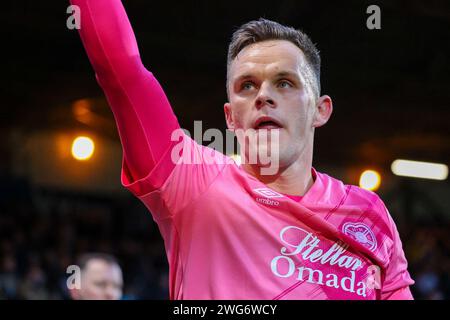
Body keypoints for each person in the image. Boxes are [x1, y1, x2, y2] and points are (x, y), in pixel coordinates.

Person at [71, 0, 414, 299]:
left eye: (285, 82)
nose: (264, 95)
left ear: (320, 110)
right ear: (230, 116)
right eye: (247, 85)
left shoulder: (369, 214)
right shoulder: (192, 181)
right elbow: (122, 70)